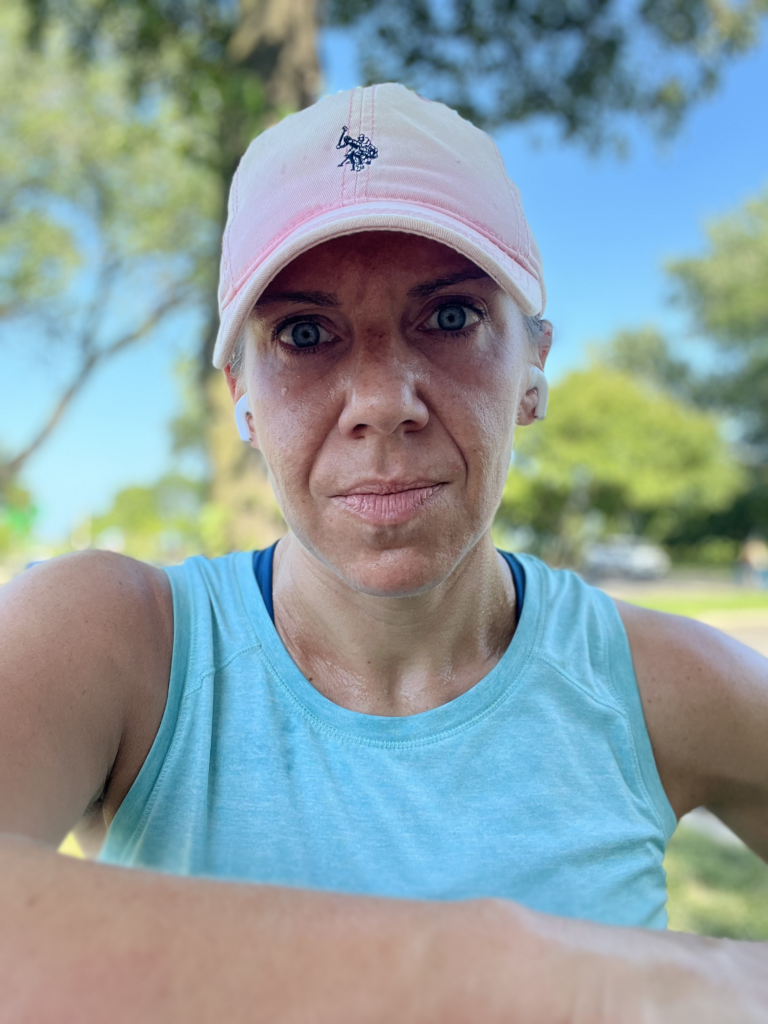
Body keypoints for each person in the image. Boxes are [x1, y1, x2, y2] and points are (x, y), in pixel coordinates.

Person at [1, 83, 766, 1023]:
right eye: (305, 334)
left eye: (449, 317)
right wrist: (574, 977)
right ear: (240, 392)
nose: (380, 399)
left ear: (533, 368)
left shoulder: (657, 684)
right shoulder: (117, 646)